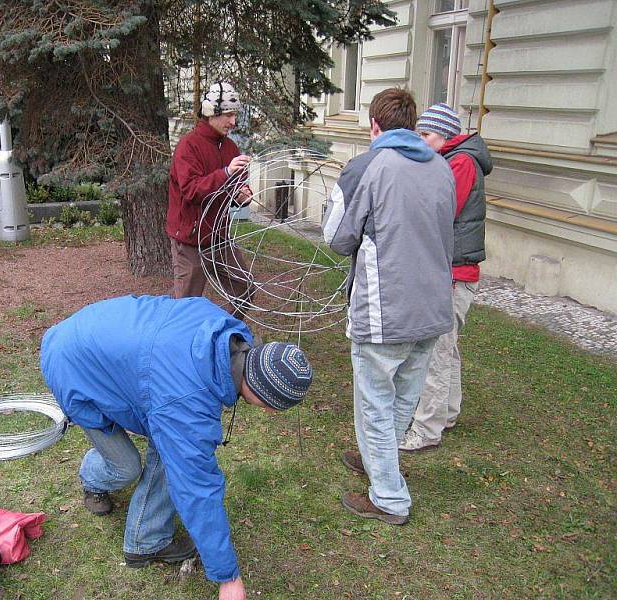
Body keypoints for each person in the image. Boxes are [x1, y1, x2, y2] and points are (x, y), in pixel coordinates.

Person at [40, 294, 313, 600]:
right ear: (259, 389)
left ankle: (146, 537)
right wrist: (228, 578)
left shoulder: (227, 336)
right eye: (272, 406)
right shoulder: (185, 402)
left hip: (97, 338)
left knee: (168, 443)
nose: (268, 413)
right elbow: (196, 488)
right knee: (126, 466)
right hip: (72, 365)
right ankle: (95, 482)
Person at [321, 88, 456, 525]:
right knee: (401, 399)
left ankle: (389, 498)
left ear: (374, 126)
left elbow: (337, 237)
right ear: (413, 125)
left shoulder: (367, 166)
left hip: (386, 312)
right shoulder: (441, 167)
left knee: (377, 401)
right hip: (433, 308)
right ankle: (378, 461)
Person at [399, 103, 493, 452]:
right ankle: (448, 413)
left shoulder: (460, 162)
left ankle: (426, 429)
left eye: (426, 135)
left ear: (446, 134)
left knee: (435, 352)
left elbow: (440, 210)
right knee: (447, 348)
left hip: (452, 272)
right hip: (454, 270)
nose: (420, 141)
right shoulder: (455, 159)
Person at [166, 82, 254, 315]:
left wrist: (242, 196)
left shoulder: (230, 147)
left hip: (219, 237)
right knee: (186, 306)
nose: (233, 122)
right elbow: (192, 191)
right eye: (228, 114)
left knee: (244, 288)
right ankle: (180, 348)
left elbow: (234, 188)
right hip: (190, 240)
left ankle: (226, 337)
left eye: (235, 115)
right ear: (210, 114)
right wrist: (225, 173)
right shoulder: (188, 146)